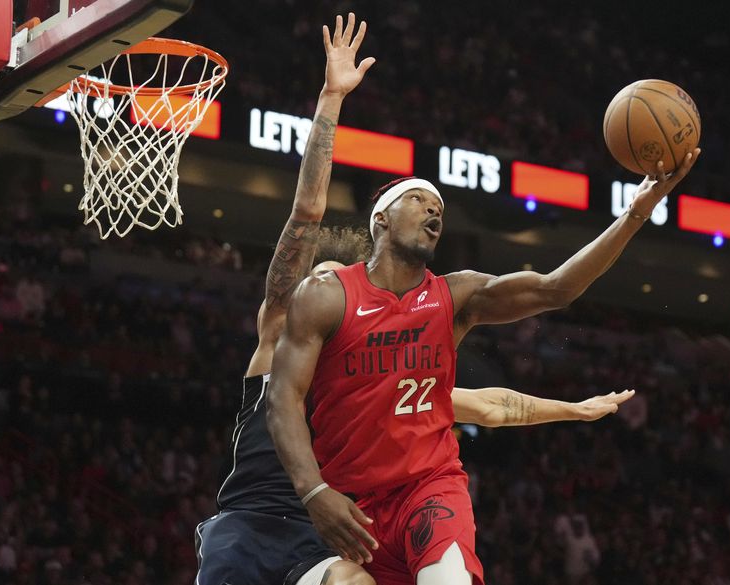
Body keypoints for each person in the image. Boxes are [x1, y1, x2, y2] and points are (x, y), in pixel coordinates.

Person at [195, 13, 634, 585]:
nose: (326, 289)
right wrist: (330, 100)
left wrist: (572, 409)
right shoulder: (285, 329)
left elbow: (485, 404)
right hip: (252, 524)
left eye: (332, 278)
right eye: (320, 281)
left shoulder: (376, 373)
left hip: (326, 536)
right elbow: (306, 213)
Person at [266, 134, 700, 583]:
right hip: (349, 503)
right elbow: (283, 399)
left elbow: (556, 288)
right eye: (418, 199)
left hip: (428, 488)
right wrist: (314, 491)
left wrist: (635, 213)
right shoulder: (326, 296)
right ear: (381, 218)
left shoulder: (456, 295)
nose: (434, 210)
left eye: (439, 208)